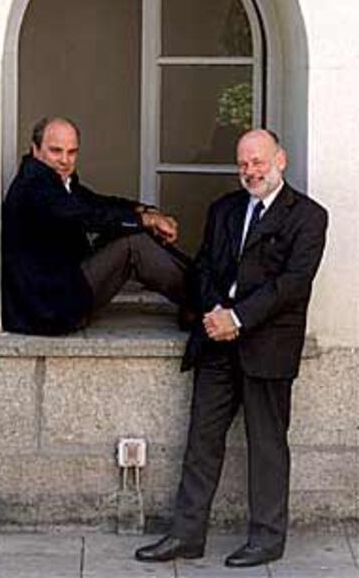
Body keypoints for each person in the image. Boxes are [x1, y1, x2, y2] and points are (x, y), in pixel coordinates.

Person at [135, 129, 328, 568]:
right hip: (216, 343)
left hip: (267, 345)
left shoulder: (309, 217)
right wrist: (214, 311)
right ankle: (186, 535)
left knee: (267, 446)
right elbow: (202, 267)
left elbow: (292, 285)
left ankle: (266, 539)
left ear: (281, 160)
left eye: (258, 162)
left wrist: (237, 319)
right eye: (243, 164)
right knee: (202, 441)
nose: (250, 171)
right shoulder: (223, 209)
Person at [2, 116, 190, 335]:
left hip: (62, 290)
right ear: (35, 149)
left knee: (130, 229)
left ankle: (202, 292)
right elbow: (86, 216)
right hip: (48, 308)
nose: (65, 160)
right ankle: (205, 300)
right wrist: (146, 221)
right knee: (132, 243)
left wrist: (144, 211)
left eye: (72, 152)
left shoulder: (55, 179)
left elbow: (96, 202)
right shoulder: (35, 187)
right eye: (56, 151)